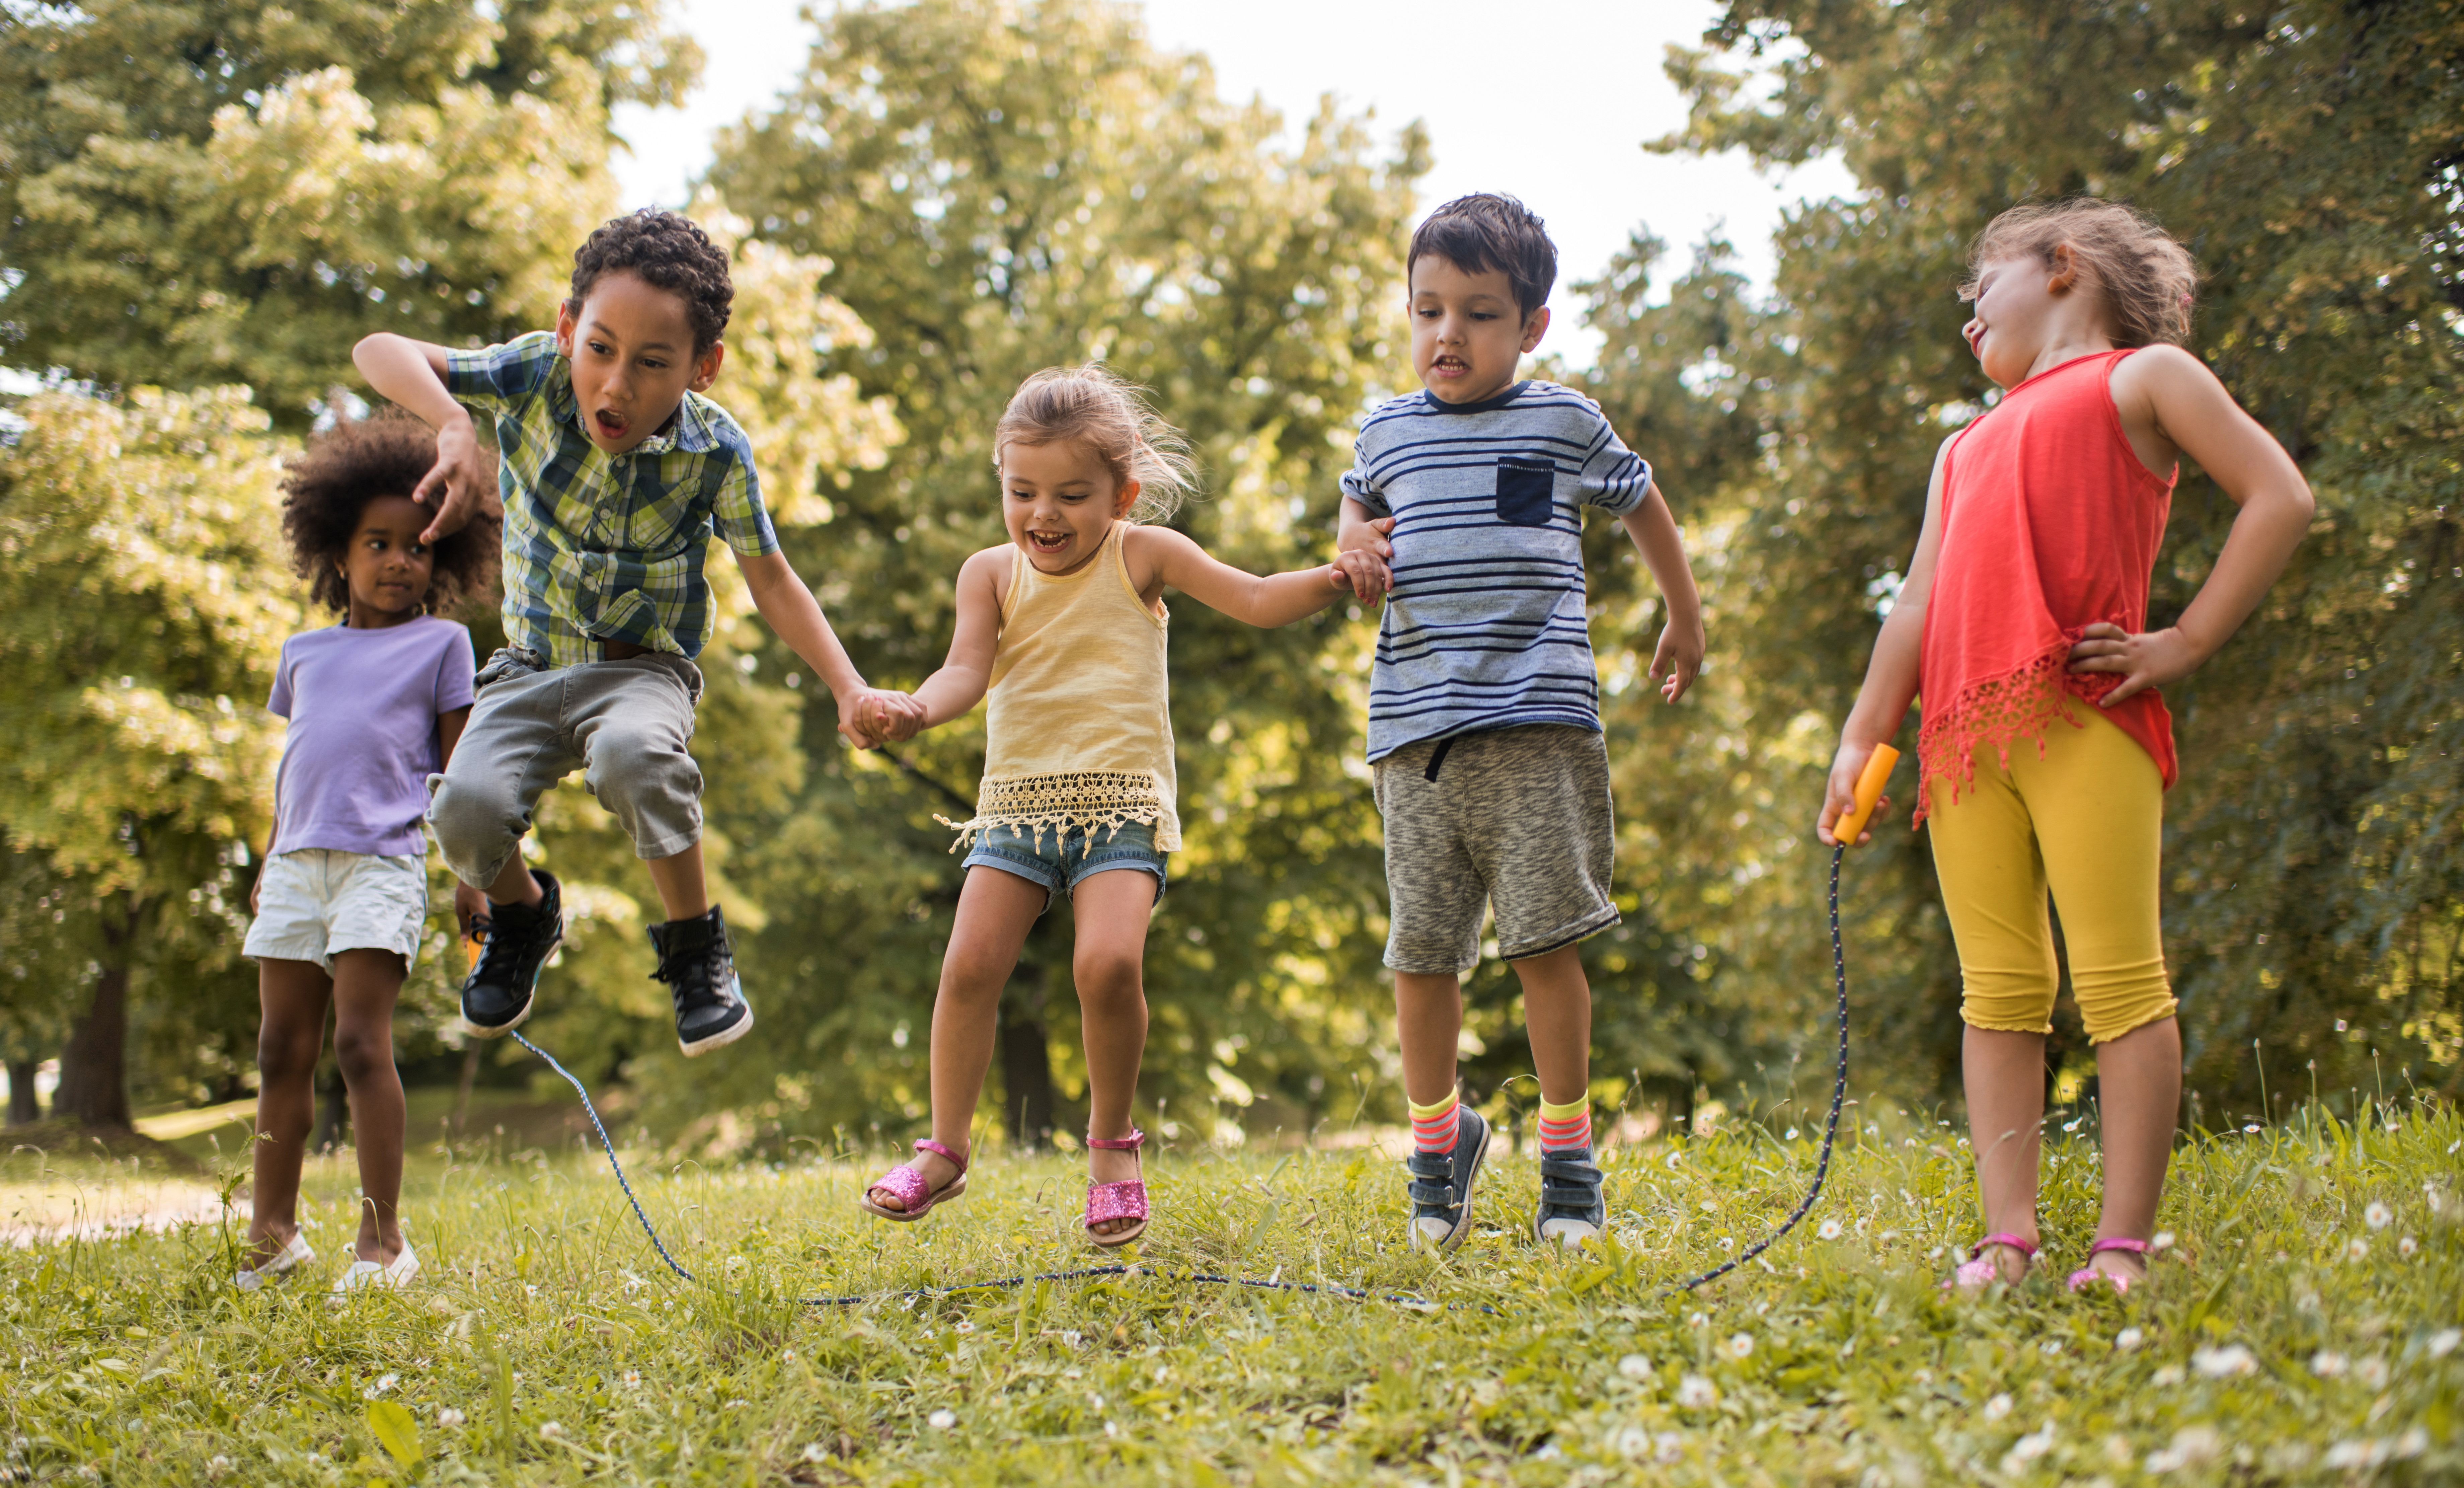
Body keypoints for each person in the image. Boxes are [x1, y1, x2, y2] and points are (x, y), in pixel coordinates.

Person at [1817, 198, 2313, 1293]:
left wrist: (2183, 640)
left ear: (2061, 265)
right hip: (1961, 744)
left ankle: (2121, 1247)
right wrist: (1863, 734)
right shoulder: (1960, 449)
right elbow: (1916, 604)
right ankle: (2008, 1240)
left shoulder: (2145, 378)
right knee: (1996, 993)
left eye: (1979, 287)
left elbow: (2280, 495)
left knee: (2123, 981)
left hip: (2085, 715)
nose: (1967, 318)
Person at [353, 208, 917, 1057]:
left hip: (641, 673)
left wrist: (847, 686)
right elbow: (378, 349)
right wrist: (453, 421)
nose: (616, 386)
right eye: (600, 350)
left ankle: (695, 946)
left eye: (653, 364)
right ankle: (523, 913)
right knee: (463, 811)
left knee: (633, 756)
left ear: (702, 367)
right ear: (567, 329)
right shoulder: (533, 374)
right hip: (528, 668)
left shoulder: (716, 451)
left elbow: (771, 578)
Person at [854, 366, 1363, 1245]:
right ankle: (945, 1149)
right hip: (1015, 808)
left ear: (1121, 495)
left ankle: (1112, 1145)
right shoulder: (989, 573)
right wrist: (916, 710)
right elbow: (965, 670)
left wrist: (1334, 577)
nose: (1043, 514)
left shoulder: (1144, 555)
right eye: (1022, 491)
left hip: (1122, 805)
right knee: (969, 966)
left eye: (1071, 495)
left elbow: (1252, 596)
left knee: (1107, 966)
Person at [1336, 194, 1706, 1253]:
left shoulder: (1562, 420)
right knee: (1421, 953)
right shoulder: (1386, 428)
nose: (1448, 333)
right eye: (1429, 310)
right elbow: (1358, 502)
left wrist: (1684, 613)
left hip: (1539, 725)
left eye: (1480, 313)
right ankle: (1436, 1147)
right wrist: (1354, 542)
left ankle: (1569, 1163)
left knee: (1546, 945)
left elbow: (1640, 498)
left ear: (1532, 325)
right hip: (1415, 735)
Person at [238, 417, 501, 1292]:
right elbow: (299, 763)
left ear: (442, 557)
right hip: (296, 863)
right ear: (337, 554)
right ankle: (272, 1235)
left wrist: (472, 877)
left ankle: (383, 1242)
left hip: (380, 864)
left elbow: (460, 776)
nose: (399, 562)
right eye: (378, 544)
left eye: (418, 547)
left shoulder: (443, 644)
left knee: (358, 1041)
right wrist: (269, 858)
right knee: (281, 1047)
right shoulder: (303, 653)